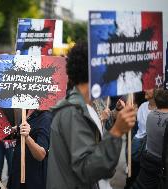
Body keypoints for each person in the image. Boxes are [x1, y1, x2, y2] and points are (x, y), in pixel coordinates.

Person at [46, 42, 137, 189]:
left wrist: (116, 119)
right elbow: (87, 170)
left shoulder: (89, 106)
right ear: (94, 72)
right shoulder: (72, 112)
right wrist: (117, 132)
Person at [131, 88, 168, 189]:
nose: (145, 90)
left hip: (148, 159)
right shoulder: (145, 108)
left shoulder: (151, 115)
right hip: (155, 163)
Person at [9, 110, 52, 189]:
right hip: (17, 173)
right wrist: (15, 130)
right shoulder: (25, 112)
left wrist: (27, 137)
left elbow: (41, 155)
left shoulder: (45, 117)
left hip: (32, 178)